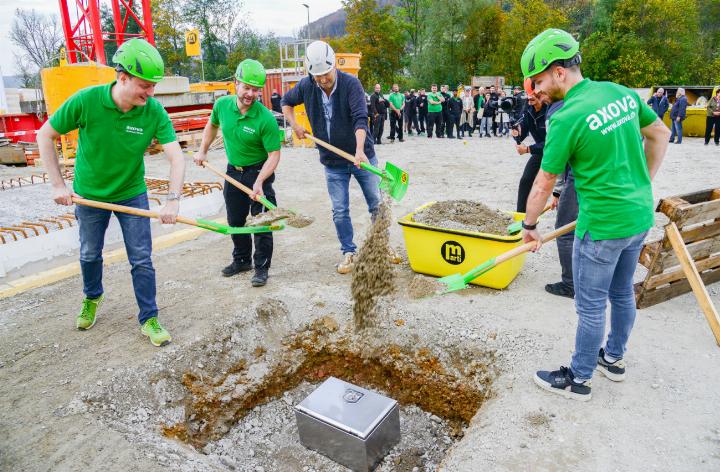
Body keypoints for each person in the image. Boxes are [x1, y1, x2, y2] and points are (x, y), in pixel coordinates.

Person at [520, 28, 669, 401]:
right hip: (636, 219)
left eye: (537, 81)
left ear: (558, 71)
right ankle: (613, 359)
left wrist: (530, 227)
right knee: (621, 293)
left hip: (601, 226)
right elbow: (660, 134)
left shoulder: (566, 116)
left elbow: (543, 183)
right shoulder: (620, 92)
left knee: (589, 305)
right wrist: (641, 183)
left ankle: (579, 378)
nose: (535, 90)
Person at [37, 39, 185, 347]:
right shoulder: (86, 101)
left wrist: (173, 200)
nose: (151, 93)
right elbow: (45, 135)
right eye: (145, 85)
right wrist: (57, 185)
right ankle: (92, 297)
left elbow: (176, 156)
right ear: (122, 78)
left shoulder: (153, 111)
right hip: (90, 194)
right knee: (90, 253)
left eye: (154, 86)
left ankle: (149, 317)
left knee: (141, 258)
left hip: (132, 191)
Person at [281, 41, 379, 274]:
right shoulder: (306, 85)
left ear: (334, 65)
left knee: (376, 204)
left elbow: (359, 119)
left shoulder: (351, 84)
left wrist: (358, 150)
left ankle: (380, 247)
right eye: (317, 76)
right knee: (340, 210)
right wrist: (295, 125)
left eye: (326, 74)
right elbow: (285, 102)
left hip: (361, 157)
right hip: (332, 163)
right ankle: (349, 252)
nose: (322, 80)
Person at [194, 59, 281, 287]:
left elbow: (274, 154)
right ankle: (242, 260)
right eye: (246, 88)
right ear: (236, 83)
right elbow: (212, 125)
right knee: (235, 219)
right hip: (233, 173)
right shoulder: (222, 106)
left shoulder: (265, 119)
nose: (250, 94)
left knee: (261, 222)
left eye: (255, 90)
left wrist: (261, 181)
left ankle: (261, 267)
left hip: (258, 172)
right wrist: (202, 151)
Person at [512, 91, 549, 212]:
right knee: (526, 180)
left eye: (532, 97)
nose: (529, 100)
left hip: (558, 151)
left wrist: (528, 149)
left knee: (563, 188)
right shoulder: (528, 109)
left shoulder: (550, 111)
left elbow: (552, 143)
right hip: (540, 152)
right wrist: (517, 133)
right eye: (528, 98)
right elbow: (523, 129)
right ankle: (520, 215)